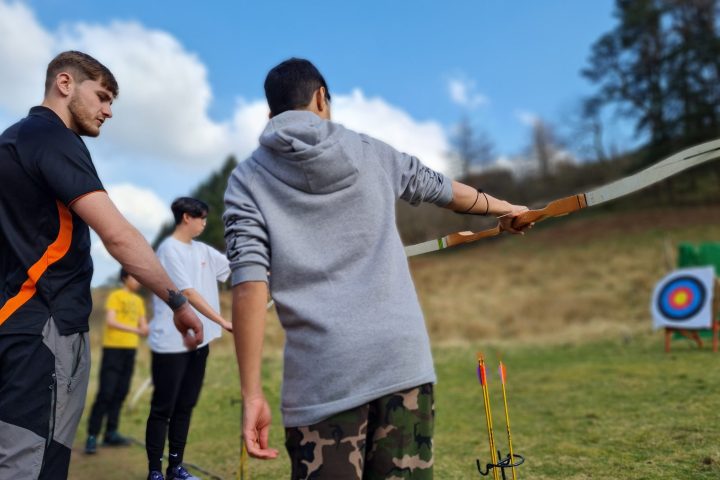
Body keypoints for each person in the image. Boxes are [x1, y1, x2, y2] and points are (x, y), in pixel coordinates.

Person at [223, 57, 531, 480]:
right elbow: (441, 189)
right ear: (320, 98)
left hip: (321, 378)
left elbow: (249, 286)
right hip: (400, 362)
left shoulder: (245, 181)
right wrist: (507, 209)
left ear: (270, 113)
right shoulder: (372, 152)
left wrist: (251, 392)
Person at [0, 50, 202, 480]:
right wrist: (177, 302)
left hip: (9, 325)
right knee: (32, 465)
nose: (108, 111)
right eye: (103, 96)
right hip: (44, 329)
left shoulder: (10, 142)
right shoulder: (53, 138)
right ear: (65, 83)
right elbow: (119, 236)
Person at [145, 197, 232, 480]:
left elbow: (233, 268)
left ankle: (175, 467)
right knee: (164, 408)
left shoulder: (203, 250)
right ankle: (155, 471)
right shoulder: (169, 249)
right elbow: (188, 293)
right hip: (172, 344)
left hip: (200, 342)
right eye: (202, 218)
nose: (205, 223)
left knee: (185, 406)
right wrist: (221, 320)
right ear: (186, 217)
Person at [85, 269, 149, 454]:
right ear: (124, 278)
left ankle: (111, 433)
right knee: (106, 392)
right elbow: (112, 321)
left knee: (121, 391)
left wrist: (144, 328)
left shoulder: (139, 301)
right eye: (134, 277)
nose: (137, 281)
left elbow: (143, 324)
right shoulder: (116, 296)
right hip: (113, 349)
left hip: (130, 350)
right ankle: (92, 435)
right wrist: (137, 330)